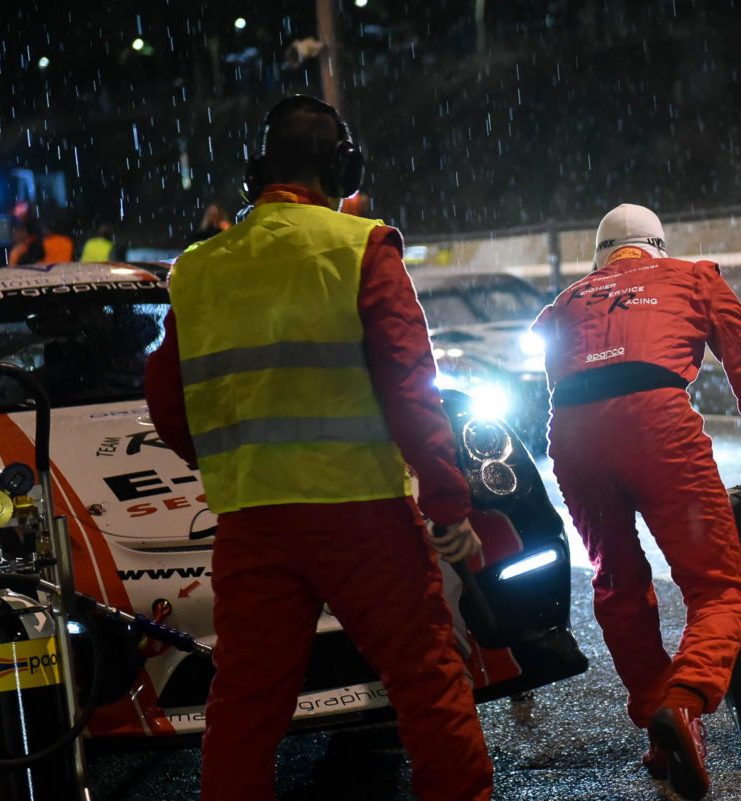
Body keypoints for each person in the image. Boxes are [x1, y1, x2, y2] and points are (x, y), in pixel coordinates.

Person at [144, 94, 493, 801]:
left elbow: (169, 405)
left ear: (256, 173)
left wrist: (236, 461)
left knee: (245, 707)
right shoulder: (361, 247)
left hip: (253, 521)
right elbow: (410, 385)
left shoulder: (199, 268)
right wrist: (447, 499)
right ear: (343, 169)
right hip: (363, 514)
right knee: (426, 681)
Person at [530, 203, 741, 800]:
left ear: (599, 257)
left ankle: (661, 728)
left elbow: (557, 378)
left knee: (617, 583)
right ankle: (684, 703)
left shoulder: (565, 302)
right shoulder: (693, 277)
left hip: (571, 435)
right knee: (720, 588)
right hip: (657, 426)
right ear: (659, 246)